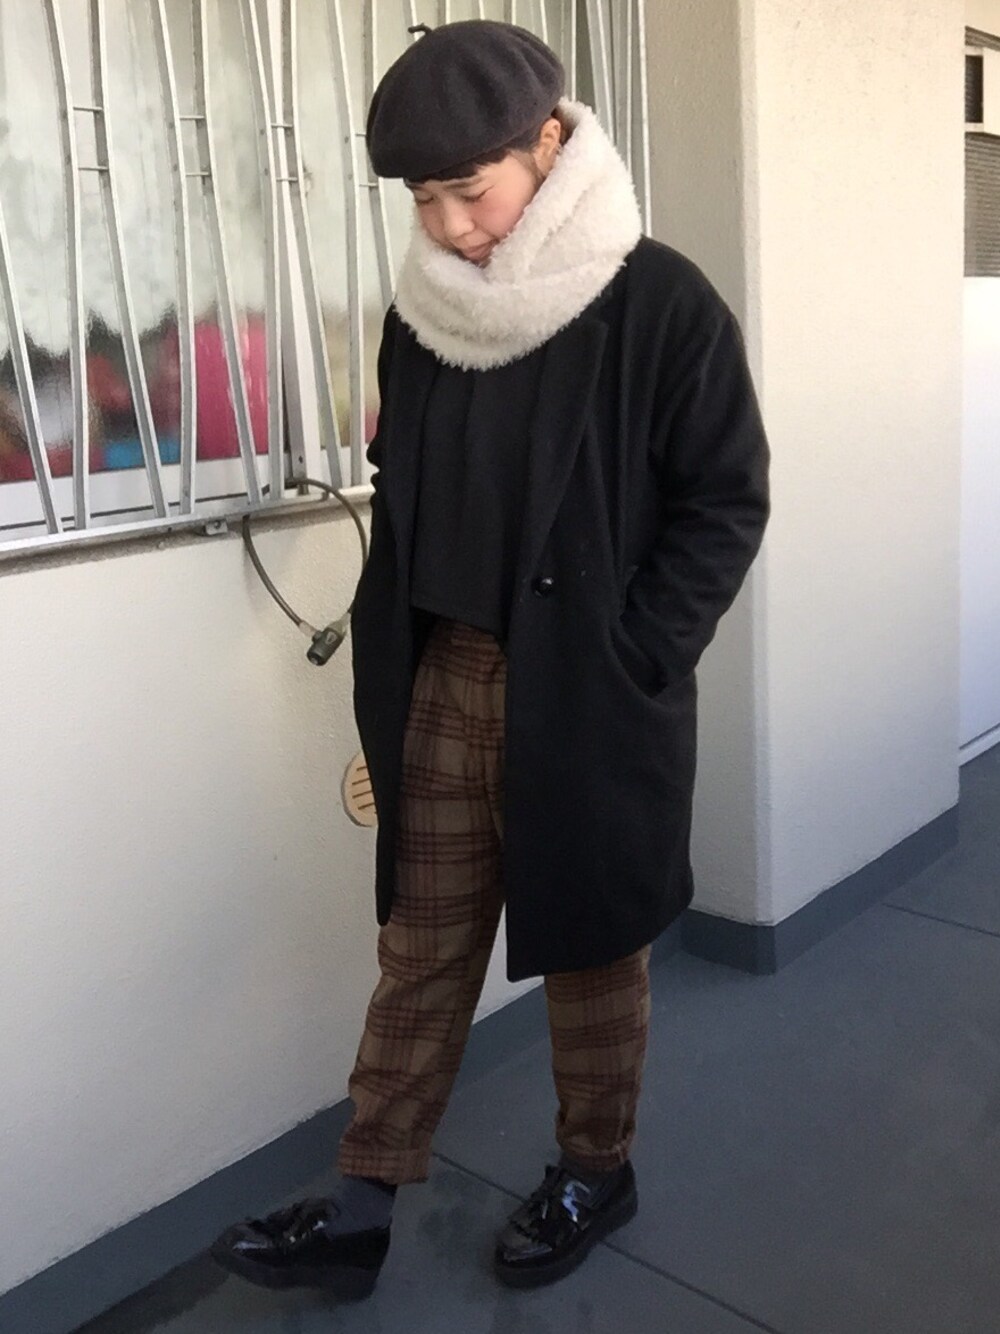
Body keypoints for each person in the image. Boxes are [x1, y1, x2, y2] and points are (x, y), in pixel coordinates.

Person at [212, 18, 769, 1297]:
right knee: (421, 943)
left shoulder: (656, 300)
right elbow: (403, 486)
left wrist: (639, 651)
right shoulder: (422, 321)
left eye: (471, 187)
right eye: (425, 198)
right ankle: (361, 1199)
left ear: (549, 144)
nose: (453, 225)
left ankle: (595, 1165)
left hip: (587, 685)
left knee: (591, 950)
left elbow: (724, 499)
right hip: (443, 676)